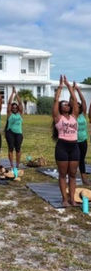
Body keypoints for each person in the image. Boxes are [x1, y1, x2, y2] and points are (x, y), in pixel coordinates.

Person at [52, 75, 79, 206]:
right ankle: (64, 199)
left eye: (68, 105)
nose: (67, 106)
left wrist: (69, 86)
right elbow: (56, 100)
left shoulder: (74, 116)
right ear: (60, 108)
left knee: (73, 174)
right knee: (63, 174)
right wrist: (60, 86)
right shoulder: (58, 118)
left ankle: (72, 198)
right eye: (64, 105)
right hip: (62, 146)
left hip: (74, 146)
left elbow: (74, 99)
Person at [73, 82, 89, 185]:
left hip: (83, 140)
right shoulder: (73, 116)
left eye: (79, 106)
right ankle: (71, 177)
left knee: (82, 159)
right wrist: (72, 92)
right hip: (74, 141)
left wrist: (78, 90)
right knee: (74, 160)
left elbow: (83, 102)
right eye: (76, 106)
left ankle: (84, 179)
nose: (78, 107)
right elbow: (72, 101)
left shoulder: (83, 115)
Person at [5, 87, 24, 169]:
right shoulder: (9, 114)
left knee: (18, 149)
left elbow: (20, 104)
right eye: (13, 107)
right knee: (11, 149)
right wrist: (12, 94)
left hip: (19, 133)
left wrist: (16, 94)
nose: (15, 108)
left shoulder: (20, 114)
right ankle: (11, 164)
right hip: (10, 133)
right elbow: (9, 103)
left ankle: (17, 164)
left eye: (16, 107)